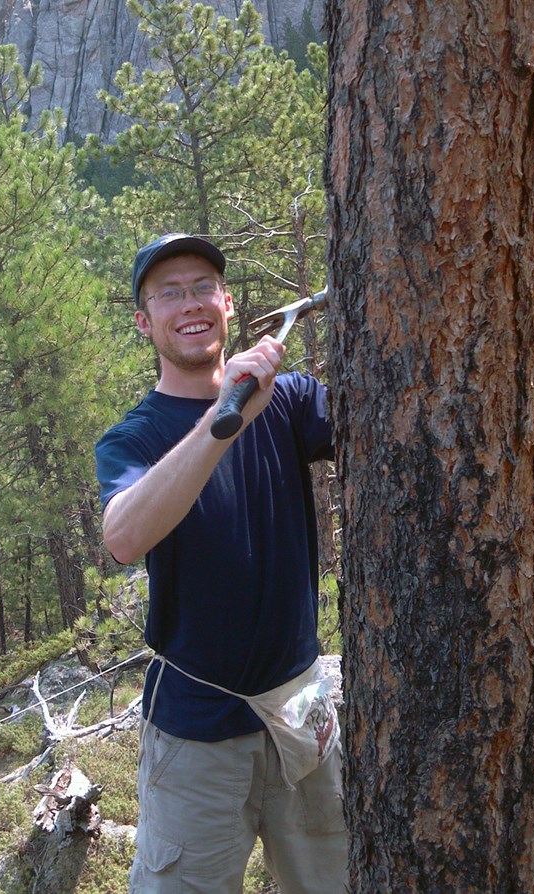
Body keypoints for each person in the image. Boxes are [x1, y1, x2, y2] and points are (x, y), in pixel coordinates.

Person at [95, 233, 348, 893]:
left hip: (303, 713)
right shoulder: (134, 437)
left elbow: (381, 417)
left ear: (228, 303)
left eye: (203, 286)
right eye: (168, 294)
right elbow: (123, 536)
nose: (191, 304)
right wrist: (223, 418)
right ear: (143, 322)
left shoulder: (288, 400)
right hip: (195, 736)